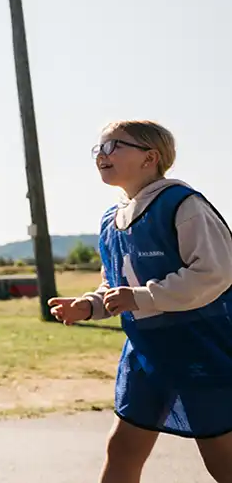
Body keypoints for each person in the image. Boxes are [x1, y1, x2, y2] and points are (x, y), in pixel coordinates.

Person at [48, 120, 232, 483]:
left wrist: (143, 296)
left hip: (200, 349)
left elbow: (215, 273)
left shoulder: (182, 203)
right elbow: (116, 286)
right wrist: (90, 305)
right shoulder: (110, 220)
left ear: (151, 157)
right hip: (146, 354)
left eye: (115, 146)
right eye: (99, 148)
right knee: (122, 449)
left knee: (222, 459)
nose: (102, 155)